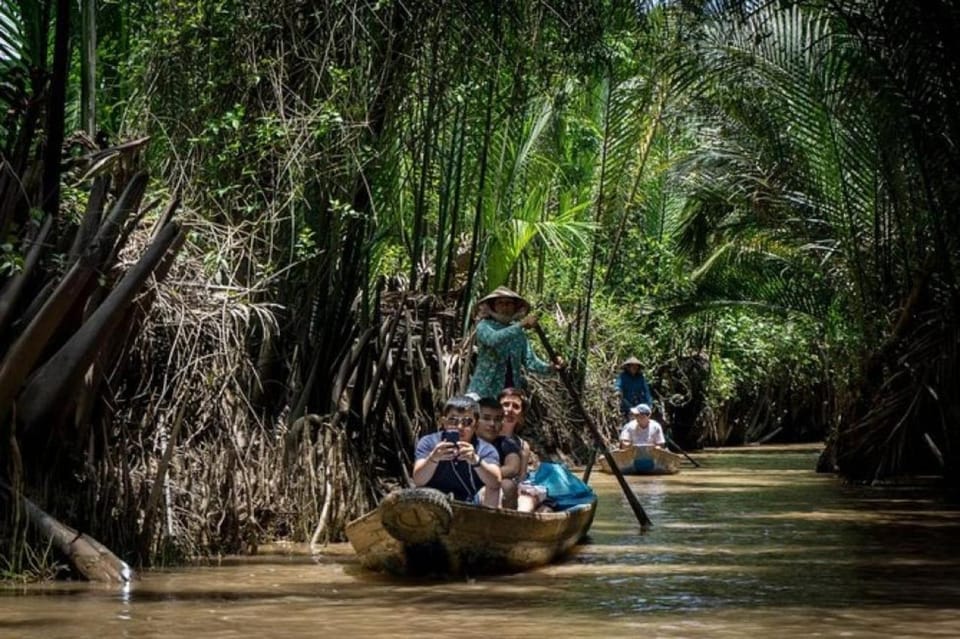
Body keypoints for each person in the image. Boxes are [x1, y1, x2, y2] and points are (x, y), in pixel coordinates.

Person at [466, 286, 560, 401]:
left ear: (515, 307)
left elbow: (530, 361)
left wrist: (551, 367)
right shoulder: (484, 326)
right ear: (493, 307)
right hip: (484, 391)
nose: (505, 307)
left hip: (509, 394)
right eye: (500, 303)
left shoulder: (519, 334)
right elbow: (493, 339)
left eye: (509, 303)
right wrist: (520, 325)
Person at [413, 395, 501, 503]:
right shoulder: (429, 442)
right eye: (453, 421)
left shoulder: (485, 449)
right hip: (433, 499)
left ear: (476, 425)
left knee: (493, 490)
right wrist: (433, 458)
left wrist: (476, 461)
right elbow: (418, 480)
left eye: (467, 422)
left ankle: (486, 520)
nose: (459, 427)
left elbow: (496, 482)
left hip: (472, 501)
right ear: (443, 422)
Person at [474, 396, 524, 509]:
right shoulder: (467, 440)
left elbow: (513, 468)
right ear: (475, 420)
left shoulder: (506, 443)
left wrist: (483, 474)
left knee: (508, 485)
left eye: (497, 419)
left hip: (492, 487)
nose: (492, 424)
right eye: (486, 418)